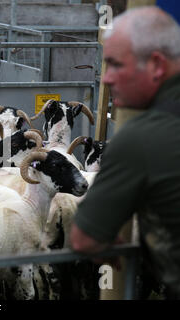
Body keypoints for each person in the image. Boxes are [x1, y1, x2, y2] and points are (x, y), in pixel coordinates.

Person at [70, 6, 180, 299]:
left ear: (156, 65)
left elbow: (86, 238)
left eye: (116, 65)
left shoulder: (142, 136)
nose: (106, 78)